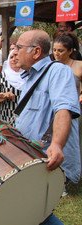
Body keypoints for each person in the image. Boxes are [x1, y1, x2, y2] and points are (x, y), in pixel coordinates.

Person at [14, 29, 81, 225]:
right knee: (33, 212)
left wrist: (57, 145)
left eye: (19, 47)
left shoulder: (58, 71)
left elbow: (64, 110)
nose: (15, 51)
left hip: (45, 159)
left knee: (34, 211)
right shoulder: (30, 76)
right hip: (30, 156)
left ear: (36, 52)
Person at [52, 31, 82, 191]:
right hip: (59, 112)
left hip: (76, 110)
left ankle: (74, 175)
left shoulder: (79, 65)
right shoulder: (53, 67)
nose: (56, 53)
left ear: (70, 51)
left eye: (60, 50)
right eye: (54, 50)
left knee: (75, 143)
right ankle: (61, 176)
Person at [0, 50, 24, 126]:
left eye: (16, 56)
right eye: (11, 57)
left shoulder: (28, 76)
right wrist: (2, 95)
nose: (14, 59)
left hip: (24, 116)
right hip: (5, 115)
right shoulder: (1, 76)